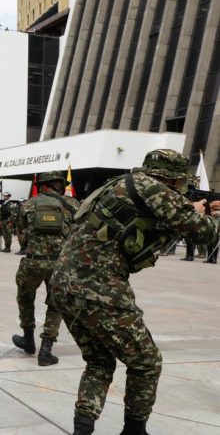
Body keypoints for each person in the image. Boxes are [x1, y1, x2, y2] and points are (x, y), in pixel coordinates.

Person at [50, 149, 220, 434]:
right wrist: (212, 216)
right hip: (99, 290)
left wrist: (194, 209)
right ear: (173, 179)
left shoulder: (120, 184)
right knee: (146, 362)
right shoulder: (153, 188)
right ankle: (134, 431)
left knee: (100, 362)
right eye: (180, 184)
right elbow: (202, 233)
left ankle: (82, 429)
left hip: (64, 285)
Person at [11, 171, 79, 366]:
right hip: (60, 263)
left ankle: (28, 340)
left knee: (25, 298)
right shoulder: (73, 205)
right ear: (60, 185)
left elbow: (22, 236)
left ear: (41, 186)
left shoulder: (28, 204)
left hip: (32, 261)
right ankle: (46, 350)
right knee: (55, 304)